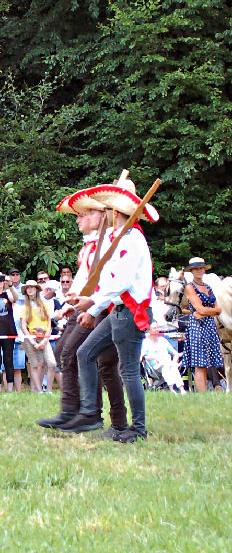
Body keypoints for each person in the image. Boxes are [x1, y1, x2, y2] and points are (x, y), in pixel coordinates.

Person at [59, 178, 158, 442]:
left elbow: (121, 281)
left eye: (109, 209)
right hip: (118, 311)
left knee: (128, 371)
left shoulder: (132, 239)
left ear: (116, 212)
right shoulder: (120, 237)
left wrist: (92, 304)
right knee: (85, 352)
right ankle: (91, 413)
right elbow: (108, 280)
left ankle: (138, 429)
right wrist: (89, 301)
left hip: (130, 312)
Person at [37, 184, 127, 436]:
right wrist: (70, 304)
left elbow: (106, 281)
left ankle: (85, 413)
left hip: (102, 307)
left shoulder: (109, 242)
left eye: (84, 214)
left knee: (81, 355)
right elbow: (85, 276)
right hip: (90, 304)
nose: (79, 219)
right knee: (77, 355)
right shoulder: (92, 244)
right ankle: (82, 412)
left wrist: (90, 306)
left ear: (101, 215)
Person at [179, 257, 224, 393]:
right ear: (191, 271)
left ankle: (204, 393)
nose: (199, 271)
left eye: (201, 268)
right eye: (195, 269)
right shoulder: (189, 287)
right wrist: (208, 311)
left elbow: (218, 309)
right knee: (200, 364)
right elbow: (202, 309)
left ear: (204, 270)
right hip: (198, 326)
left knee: (209, 362)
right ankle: (202, 394)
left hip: (209, 325)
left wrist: (206, 311)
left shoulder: (208, 287)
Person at [19, 280, 56, 393]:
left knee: (52, 363)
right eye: (28, 288)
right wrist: (33, 342)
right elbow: (23, 327)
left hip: (44, 337)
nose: (30, 289)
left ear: (36, 289)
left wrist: (45, 340)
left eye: (32, 287)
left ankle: (49, 390)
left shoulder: (44, 305)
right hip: (30, 338)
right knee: (35, 365)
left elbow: (49, 324)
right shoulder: (24, 307)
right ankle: (39, 391)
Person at [141, 324, 183, 393]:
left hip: (168, 363)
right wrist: (154, 357)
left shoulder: (163, 340)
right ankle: (172, 389)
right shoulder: (145, 343)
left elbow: (174, 353)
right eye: (154, 328)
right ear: (149, 330)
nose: (157, 329)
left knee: (172, 366)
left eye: (157, 327)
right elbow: (142, 357)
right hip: (154, 368)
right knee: (166, 366)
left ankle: (181, 389)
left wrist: (175, 360)